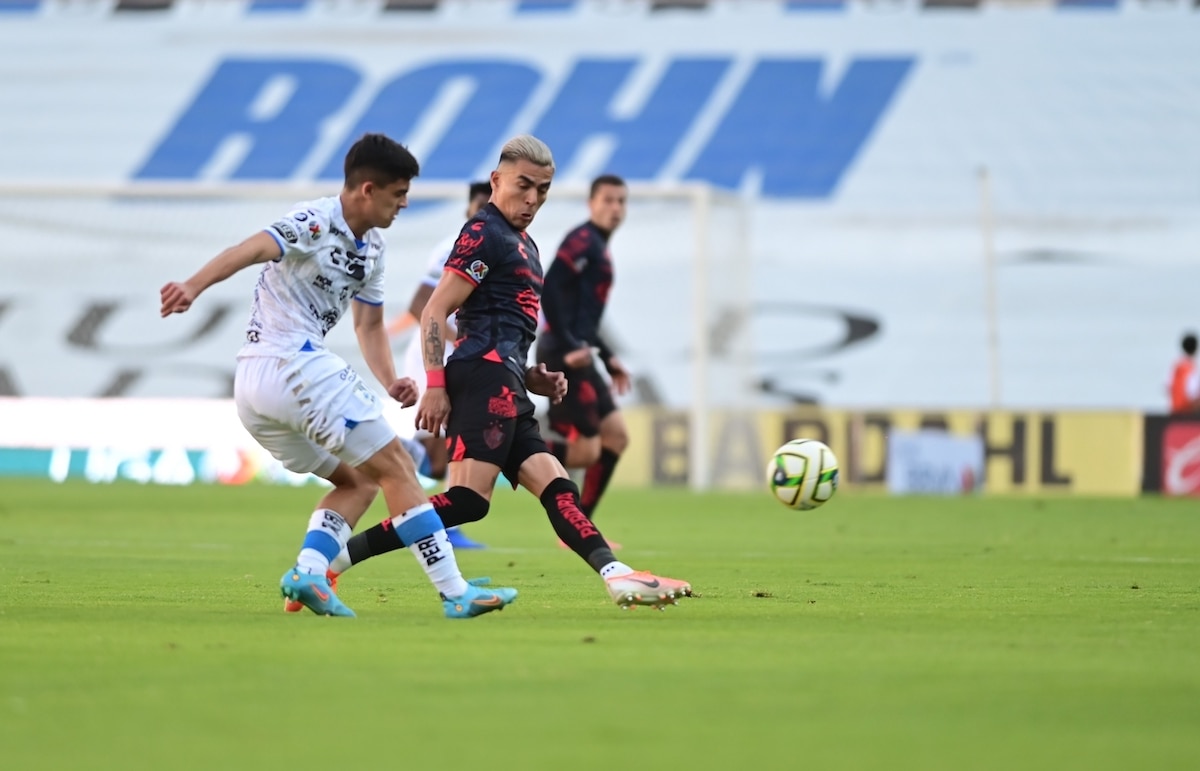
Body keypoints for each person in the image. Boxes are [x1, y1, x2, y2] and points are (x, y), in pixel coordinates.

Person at [159, 133, 517, 619]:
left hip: (260, 386)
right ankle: (455, 591)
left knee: (360, 483)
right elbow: (249, 249)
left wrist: (390, 379)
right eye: (398, 193)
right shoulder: (313, 221)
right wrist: (192, 285)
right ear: (367, 190)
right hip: (291, 365)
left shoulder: (372, 250)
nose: (405, 203)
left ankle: (308, 574)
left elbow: (368, 324)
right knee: (398, 468)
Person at [335, 135, 692, 611]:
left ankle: (617, 575)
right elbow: (436, 311)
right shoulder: (484, 233)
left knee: (557, 486)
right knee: (467, 501)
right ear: (496, 180)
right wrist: (437, 385)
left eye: (542, 190)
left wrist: (529, 375)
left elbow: (491, 328)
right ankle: (336, 560)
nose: (533, 199)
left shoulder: (525, 245)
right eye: (523, 185)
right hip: (481, 383)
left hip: (506, 382)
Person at [388, 181, 494, 550]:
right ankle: (443, 525)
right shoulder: (454, 247)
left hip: (457, 356)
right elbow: (420, 305)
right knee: (449, 440)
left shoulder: (498, 248)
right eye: (479, 206)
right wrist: (459, 341)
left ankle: (381, 454)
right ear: (467, 210)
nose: (484, 214)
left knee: (439, 449)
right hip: (434, 354)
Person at [537, 174, 632, 534]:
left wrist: (609, 358)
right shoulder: (581, 240)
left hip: (582, 353)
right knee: (586, 452)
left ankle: (583, 523)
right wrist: (569, 344)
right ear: (591, 204)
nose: (616, 208)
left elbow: (587, 319)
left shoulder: (599, 246)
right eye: (608, 200)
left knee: (617, 437)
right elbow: (550, 291)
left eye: (621, 201)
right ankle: (508, 451)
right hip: (564, 354)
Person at [1170, 332, 1200, 414]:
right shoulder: (1191, 368)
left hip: (1175, 411)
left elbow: (1168, 387)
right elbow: (1192, 393)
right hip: (1187, 413)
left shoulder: (1176, 366)